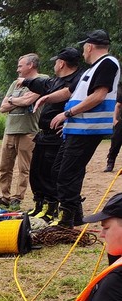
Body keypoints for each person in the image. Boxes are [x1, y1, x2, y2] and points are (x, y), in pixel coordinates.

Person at [46, 30, 119, 227]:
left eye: (84, 48)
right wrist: (44, 98)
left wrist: (67, 114)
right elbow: (70, 92)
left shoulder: (108, 64)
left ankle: (66, 220)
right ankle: (75, 215)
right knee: (59, 170)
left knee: (67, 173)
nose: (83, 53)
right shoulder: (91, 69)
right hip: (77, 128)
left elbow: (99, 96)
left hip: (88, 129)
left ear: (89, 47)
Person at [22, 48, 84, 219]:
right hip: (44, 135)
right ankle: (39, 203)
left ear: (62, 63)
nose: (55, 64)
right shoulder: (56, 80)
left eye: (56, 61)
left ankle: (51, 208)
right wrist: (26, 81)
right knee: (37, 171)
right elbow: (43, 85)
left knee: (51, 173)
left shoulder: (77, 81)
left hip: (58, 135)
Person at [0, 54, 43, 208]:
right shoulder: (14, 83)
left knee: (24, 168)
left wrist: (13, 100)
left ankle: (17, 198)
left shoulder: (41, 81)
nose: (18, 69)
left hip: (28, 131)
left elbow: (29, 101)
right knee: (5, 167)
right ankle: (4, 197)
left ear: (30, 65)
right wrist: (16, 101)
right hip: (10, 130)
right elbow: (3, 107)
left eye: (20, 66)